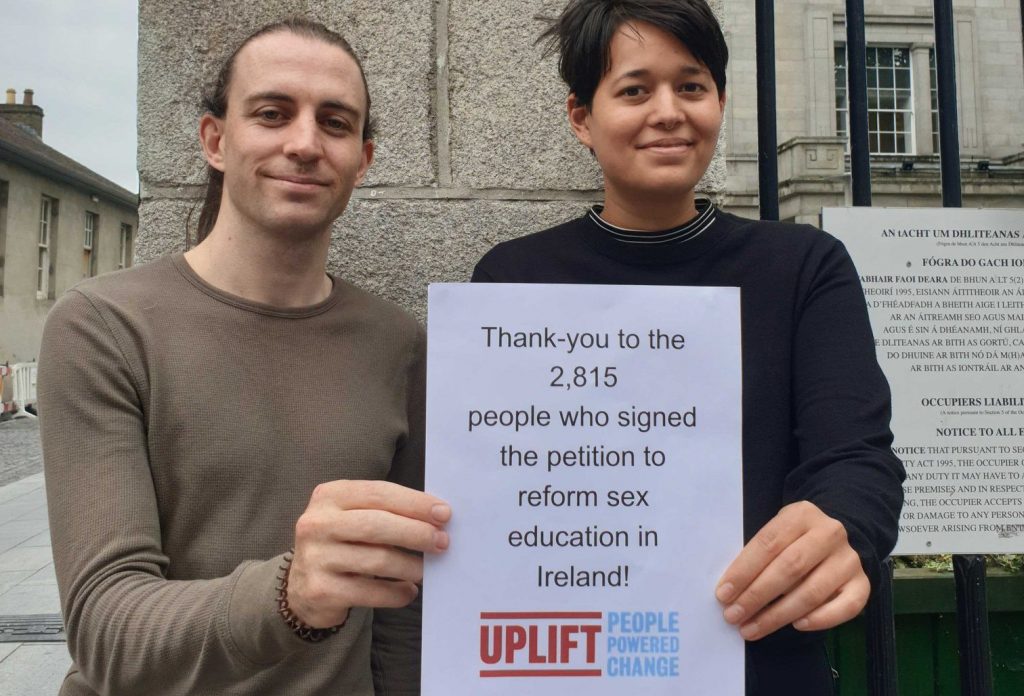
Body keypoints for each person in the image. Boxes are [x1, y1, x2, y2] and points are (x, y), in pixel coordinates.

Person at [471, 1, 904, 693]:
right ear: (581, 117)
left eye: (692, 85)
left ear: (720, 102)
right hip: (575, 663)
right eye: (636, 89)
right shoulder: (513, 276)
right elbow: (495, 482)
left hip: (757, 658)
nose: (668, 111)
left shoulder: (805, 266)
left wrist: (843, 524)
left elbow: (855, 453)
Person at [38, 18, 448, 696]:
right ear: (215, 140)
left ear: (364, 160)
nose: (305, 143)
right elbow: (104, 628)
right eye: (272, 113)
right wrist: (291, 595)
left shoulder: (399, 346)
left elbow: (405, 611)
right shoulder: (103, 328)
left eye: (336, 123)